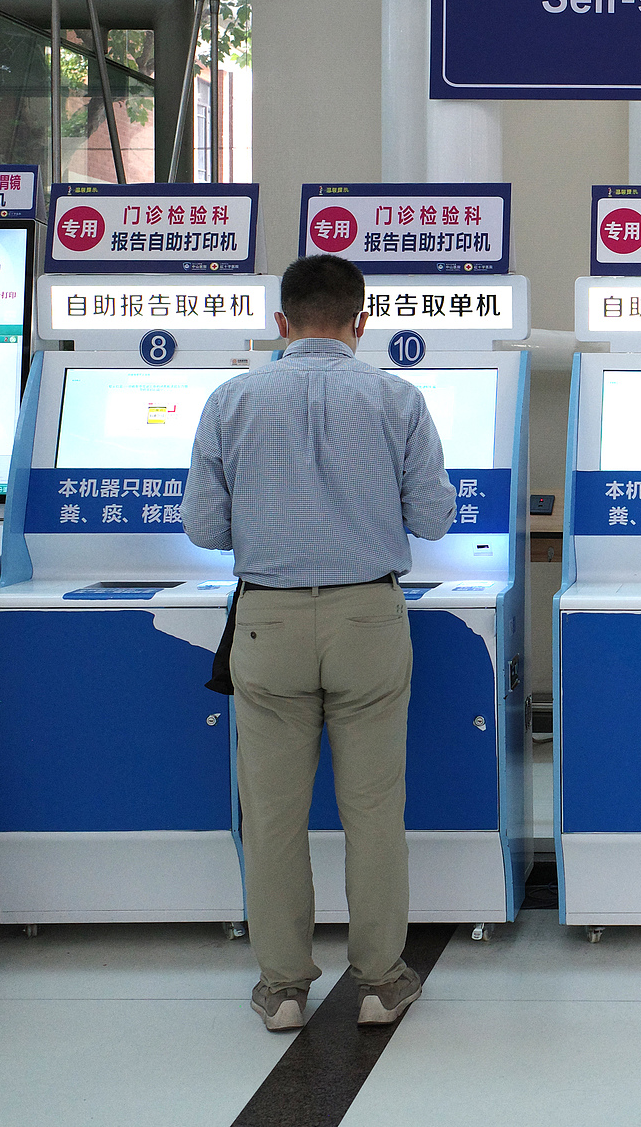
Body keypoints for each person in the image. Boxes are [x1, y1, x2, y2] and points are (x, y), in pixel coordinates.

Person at [183, 255, 456, 1031]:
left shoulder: (231, 398)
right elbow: (434, 517)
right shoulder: (396, 397)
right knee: (374, 810)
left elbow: (204, 526)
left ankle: (284, 988)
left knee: (273, 814)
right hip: (369, 618)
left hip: (266, 623)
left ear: (282, 322)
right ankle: (379, 981)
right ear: (360, 321)